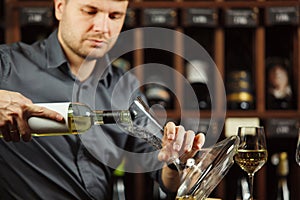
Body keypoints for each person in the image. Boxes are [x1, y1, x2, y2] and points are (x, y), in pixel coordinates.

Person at [0, 0, 205, 199]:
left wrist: (174, 163)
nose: (102, 28)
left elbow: (163, 174)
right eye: (90, 11)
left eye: (115, 16)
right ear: (60, 7)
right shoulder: (8, 65)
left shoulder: (125, 87)